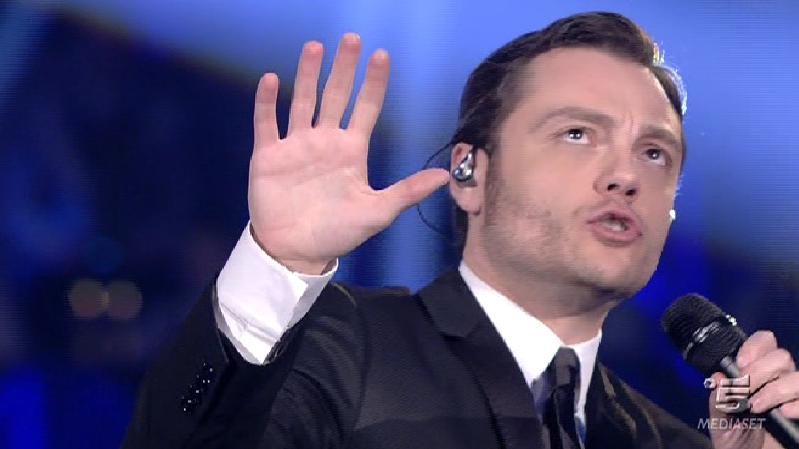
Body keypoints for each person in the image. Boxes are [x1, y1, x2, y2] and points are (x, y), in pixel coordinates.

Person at [122, 11, 799, 449]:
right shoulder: (340, 346)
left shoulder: (672, 439)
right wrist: (279, 263)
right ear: (469, 173)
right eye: (576, 134)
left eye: (654, 153)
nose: (625, 175)